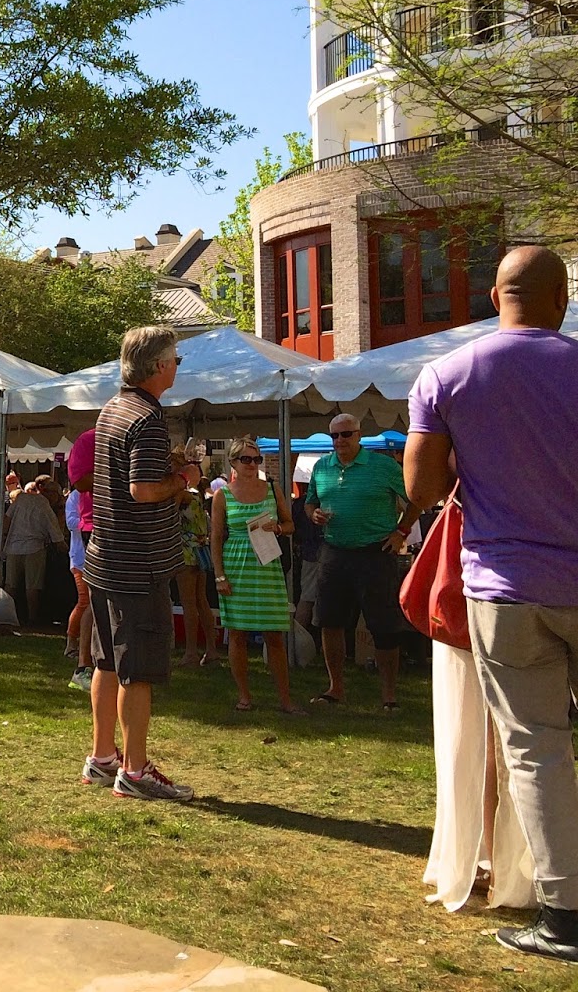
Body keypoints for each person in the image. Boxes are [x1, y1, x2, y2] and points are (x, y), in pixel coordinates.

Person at [405, 245, 578, 963]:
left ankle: (564, 916)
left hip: (505, 585)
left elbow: (419, 489)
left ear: (494, 295)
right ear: (561, 299)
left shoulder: (446, 374)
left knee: (536, 749)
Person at [81, 326, 200, 801]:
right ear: (156, 367)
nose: (178, 366)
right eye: (175, 359)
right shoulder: (147, 418)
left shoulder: (113, 408)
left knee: (106, 662)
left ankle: (102, 757)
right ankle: (134, 771)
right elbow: (144, 490)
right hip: (138, 565)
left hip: (105, 559)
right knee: (139, 670)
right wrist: (185, 476)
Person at [304, 411, 423, 710]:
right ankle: (336, 688)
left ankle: (389, 696)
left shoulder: (383, 466)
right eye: (335, 436)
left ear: (359, 435)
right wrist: (313, 515)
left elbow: (416, 499)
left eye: (346, 434)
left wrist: (401, 532)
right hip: (335, 552)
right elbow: (309, 503)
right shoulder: (321, 467)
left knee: (383, 626)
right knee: (329, 622)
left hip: (375, 554)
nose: (340, 440)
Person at [210, 437, 300, 714]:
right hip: (236, 565)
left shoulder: (273, 489)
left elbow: (291, 524)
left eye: (256, 459)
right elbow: (215, 537)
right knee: (237, 634)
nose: (252, 464)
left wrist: (278, 528)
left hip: (267, 565)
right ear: (234, 462)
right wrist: (219, 575)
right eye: (246, 459)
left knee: (274, 634)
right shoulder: (222, 495)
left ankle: (285, 699)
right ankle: (244, 696)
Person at [2, 473, 64, 626]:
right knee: (33, 586)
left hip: (13, 547)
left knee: (10, 585)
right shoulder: (45, 505)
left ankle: (6, 616)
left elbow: (6, 519)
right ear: (52, 494)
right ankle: (32, 619)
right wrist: (63, 547)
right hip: (34, 548)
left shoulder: (22, 498)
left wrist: (3, 539)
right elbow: (54, 530)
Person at [174, 478, 219, 668]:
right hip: (201, 549)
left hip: (186, 550)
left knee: (188, 603)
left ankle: (191, 652)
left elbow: (169, 516)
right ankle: (212, 651)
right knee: (202, 600)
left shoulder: (182, 495)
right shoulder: (198, 495)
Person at [64, 484, 93, 691]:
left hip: (96, 556)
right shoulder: (74, 497)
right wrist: (89, 522)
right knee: (84, 601)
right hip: (80, 558)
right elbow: (71, 522)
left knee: (93, 603)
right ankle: (71, 641)